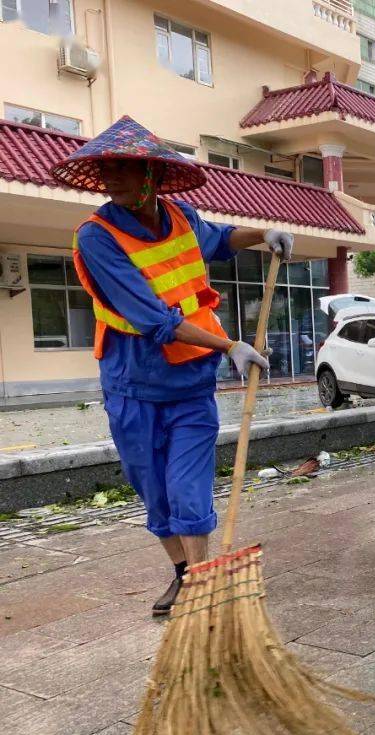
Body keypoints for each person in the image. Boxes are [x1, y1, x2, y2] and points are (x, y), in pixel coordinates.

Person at [50, 116, 294, 615]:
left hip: (189, 383)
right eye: (106, 171)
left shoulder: (180, 216)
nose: (111, 179)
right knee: (156, 494)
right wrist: (230, 346)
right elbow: (153, 320)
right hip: (132, 387)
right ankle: (185, 576)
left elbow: (219, 239)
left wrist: (261, 233)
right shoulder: (96, 238)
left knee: (187, 490)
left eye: (123, 169)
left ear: (152, 178)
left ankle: (200, 585)